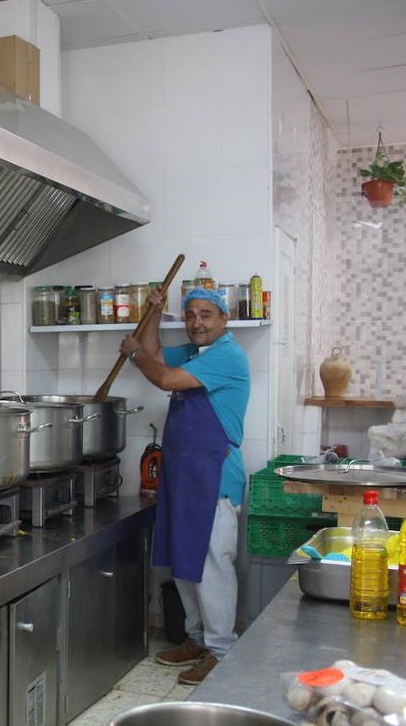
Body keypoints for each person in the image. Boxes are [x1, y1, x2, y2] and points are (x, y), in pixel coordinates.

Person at [118, 286, 249, 686]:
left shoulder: (228, 356)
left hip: (214, 476)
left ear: (224, 320)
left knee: (212, 567)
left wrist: (134, 353)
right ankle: (196, 639)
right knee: (185, 564)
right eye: (190, 315)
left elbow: (165, 377)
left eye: (206, 315)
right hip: (183, 474)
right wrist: (154, 312)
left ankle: (221, 649)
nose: (197, 323)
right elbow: (157, 352)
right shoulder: (195, 353)